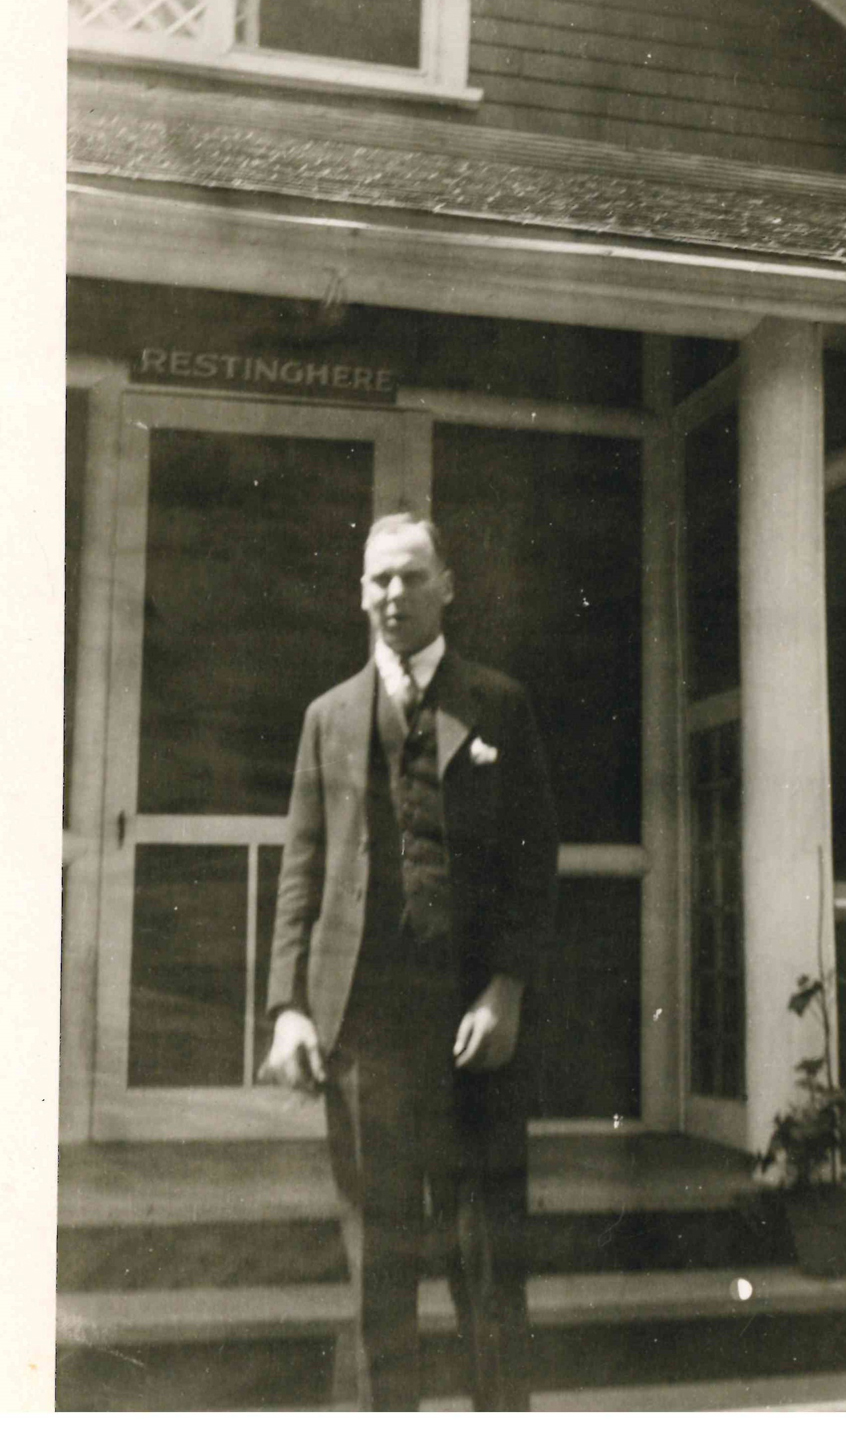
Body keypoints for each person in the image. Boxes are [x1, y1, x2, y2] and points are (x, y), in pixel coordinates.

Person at [261, 512, 559, 1411]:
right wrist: (289, 1007)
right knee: (380, 1257)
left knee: (486, 1253)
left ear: (447, 587)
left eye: (413, 577)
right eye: (379, 579)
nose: (395, 595)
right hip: (366, 1026)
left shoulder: (498, 704)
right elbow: (301, 870)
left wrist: (505, 990)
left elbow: (532, 862)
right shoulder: (329, 718)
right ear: (361, 592)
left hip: (473, 1023)